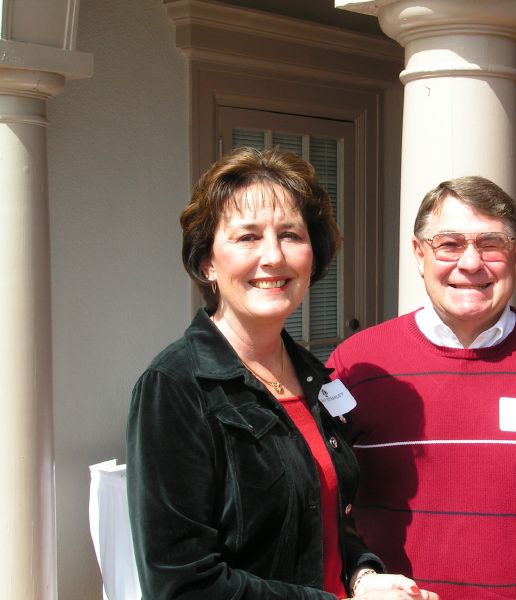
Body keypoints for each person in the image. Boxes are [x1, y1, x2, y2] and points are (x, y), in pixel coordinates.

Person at [126, 147, 439, 600]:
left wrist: (363, 577)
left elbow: (324, 516)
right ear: (207, 262)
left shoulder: (316, 378)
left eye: (290, 235)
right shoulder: (175, 389)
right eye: (248, 237)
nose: (273, 256)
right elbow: (183, 585)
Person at [327, 176, 516, 599]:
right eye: (449, 244)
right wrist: (357, 581)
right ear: (419, 254)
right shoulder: (356, 368)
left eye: (491, 244)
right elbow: (320, 505)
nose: (471, 263)